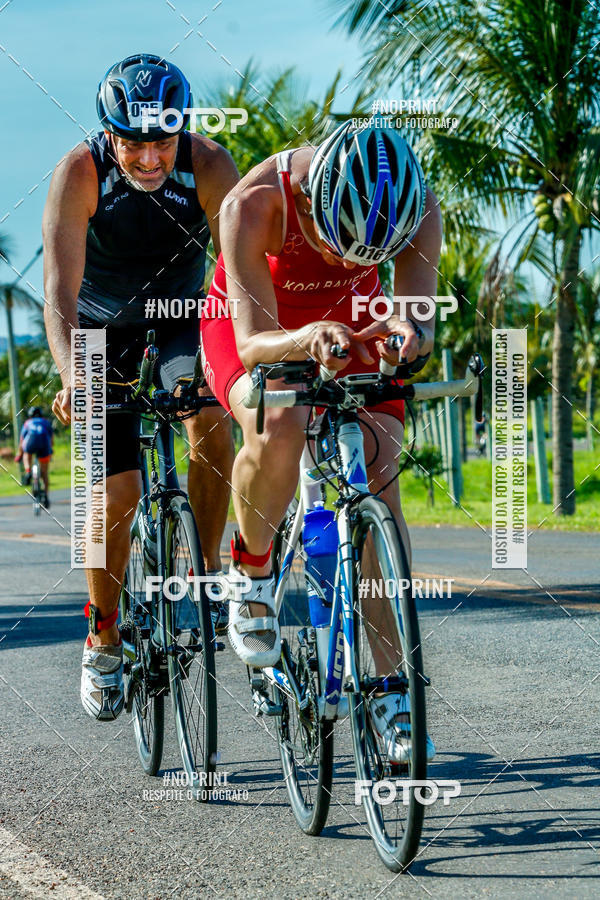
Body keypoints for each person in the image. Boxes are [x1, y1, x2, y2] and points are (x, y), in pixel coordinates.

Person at [201, 121, 442, 762]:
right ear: (311, 200)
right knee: (278, 423)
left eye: (368, 255)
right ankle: (250, 574)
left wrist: (405, 331)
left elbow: (416, 319)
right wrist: (305, 340)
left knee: (380, 467)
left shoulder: (416, 208)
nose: (347, 262)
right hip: (254, 322)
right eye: (339, 244)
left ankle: (390, 683)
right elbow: (252, 346)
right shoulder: (253, 204)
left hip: (349, 322)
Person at [43, 53, 239, 721]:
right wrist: (75, 375)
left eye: (161, 139)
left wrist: (245, 358)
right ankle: (102, 636)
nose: (150, 157)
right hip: (100, 332)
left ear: (179, 131)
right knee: (115, 491)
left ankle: (206, 572)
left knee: (213, 417)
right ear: (109, 134)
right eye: (134, 140)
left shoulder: (209, 166)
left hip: (185, 317)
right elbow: (59, 297)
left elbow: (239, 279)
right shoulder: (81, 172)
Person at [16, 406, 53, 504]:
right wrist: (50, 451)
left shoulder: (27, 423)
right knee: (44, 473)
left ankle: (28, 471)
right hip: (44, 442)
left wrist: (19, 454)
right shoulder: (45, 422)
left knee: (27, 453)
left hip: (31, 441)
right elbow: (51, 439)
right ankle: (45, 496)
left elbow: (22, 441)